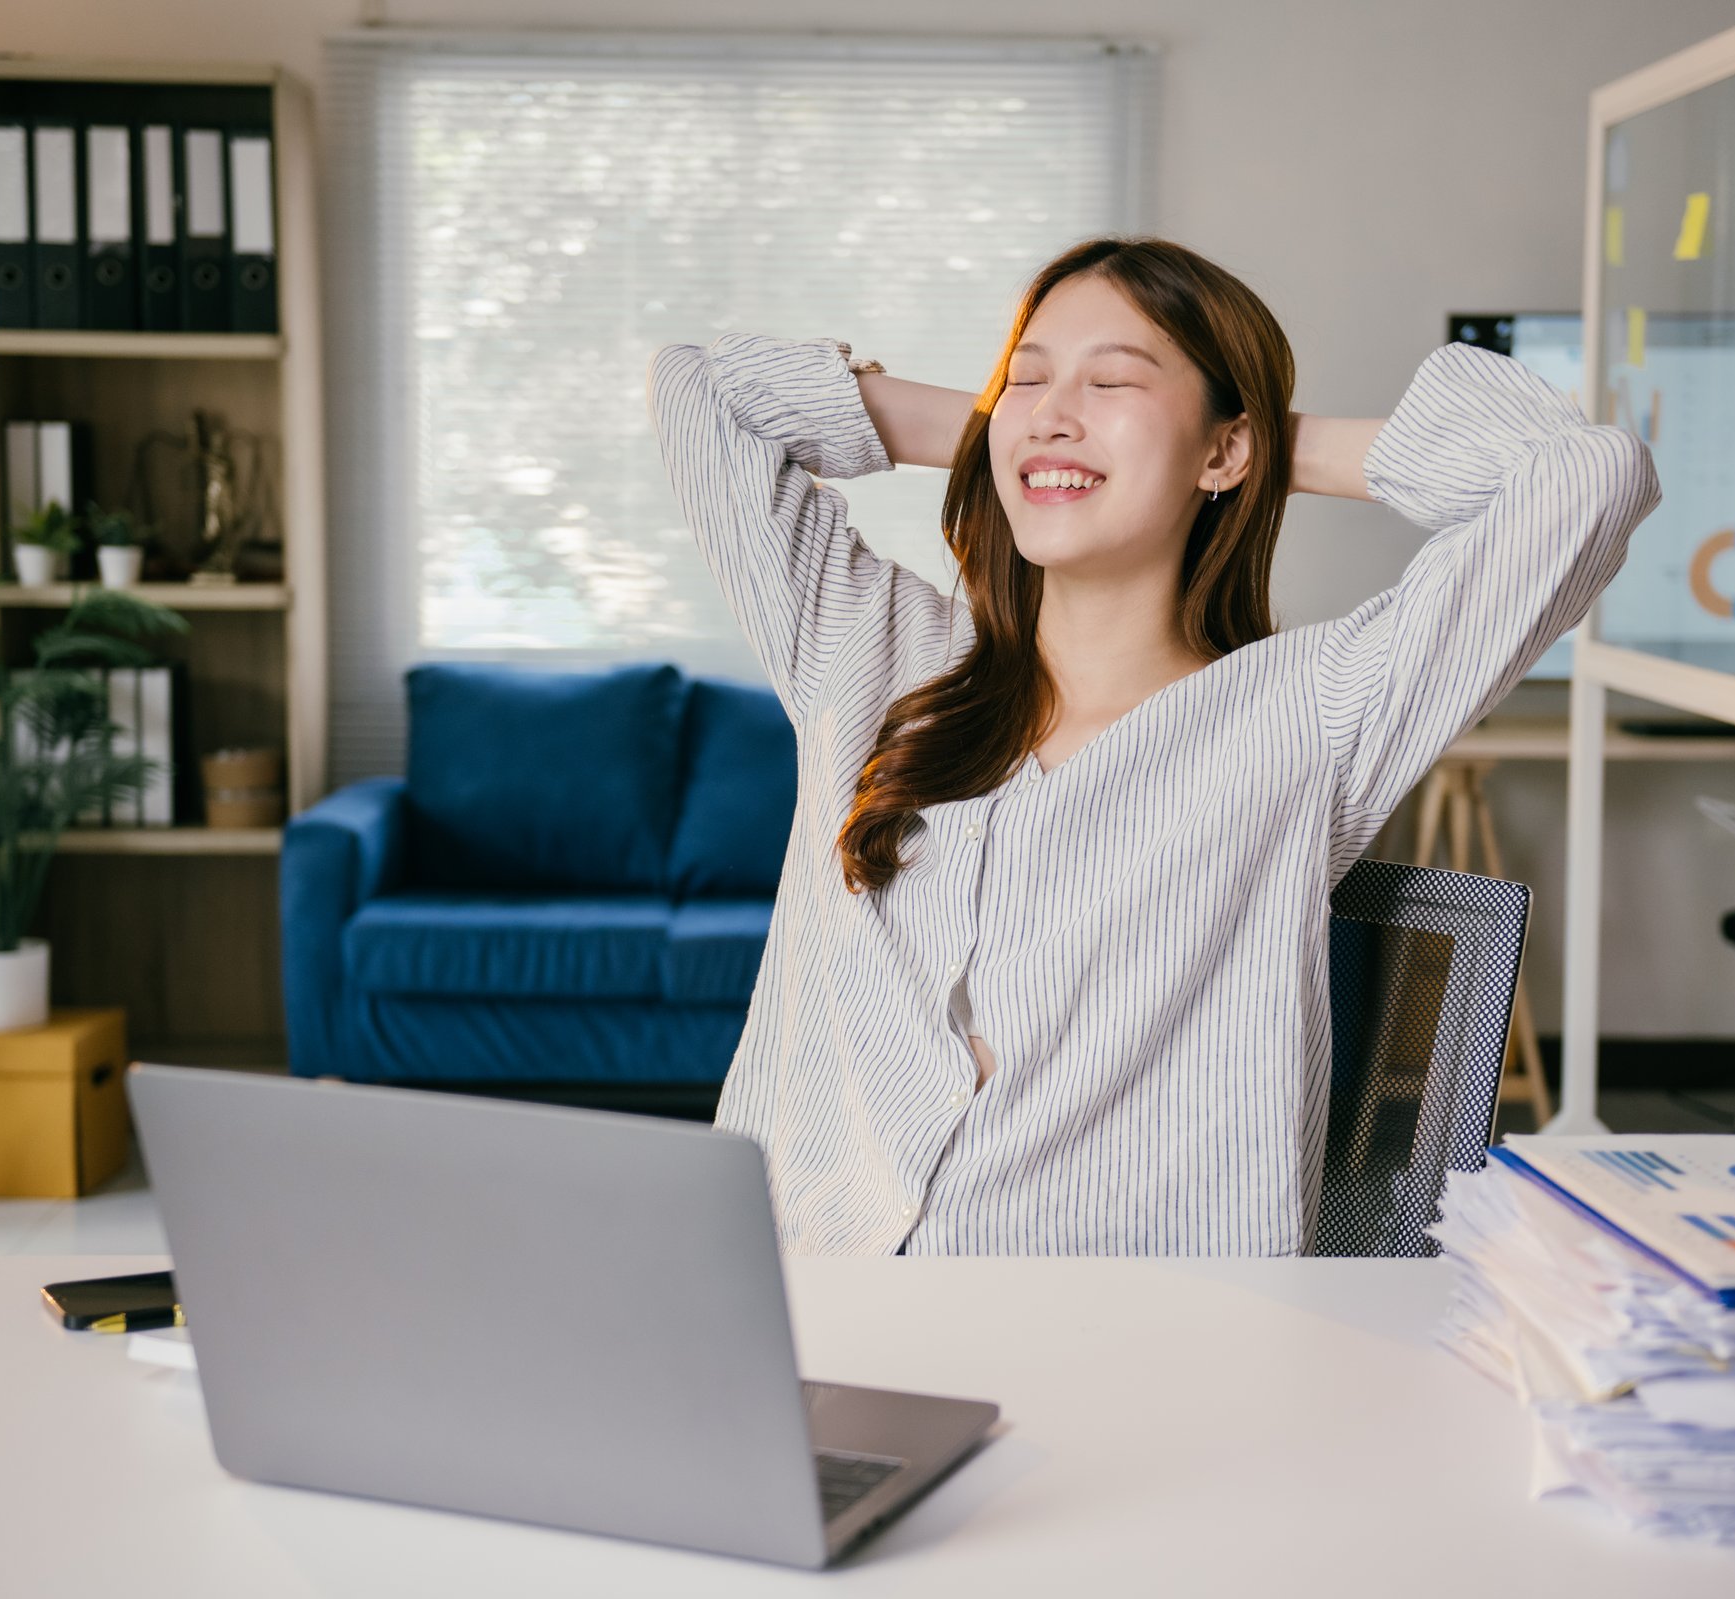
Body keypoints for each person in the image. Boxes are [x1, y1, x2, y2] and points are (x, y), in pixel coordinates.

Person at [646, 235, 1659, 1256]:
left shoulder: (1313, 712)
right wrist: (1026, 435)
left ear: (1225, 451)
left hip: (1133, 1339)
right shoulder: (869, 648)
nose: (1052, 405)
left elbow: (1586, 478)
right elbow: (703, 393)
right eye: (1027, 375)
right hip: (806, 1307)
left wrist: (1256, 448)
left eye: (1114, 379)